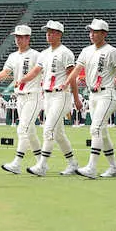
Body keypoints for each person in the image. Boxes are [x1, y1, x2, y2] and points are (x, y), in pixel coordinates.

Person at [61, 19, 116, 179]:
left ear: (104, 34)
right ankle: (114, 167)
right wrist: (67, 82)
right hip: (93, 95)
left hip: (107, 94)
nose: (92, 34)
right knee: (102, 132)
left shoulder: (112, 51)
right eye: (90, 31)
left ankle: (92, 167)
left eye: (95, 32)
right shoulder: (86, 51)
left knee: (95, 129)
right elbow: (77, 70)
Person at [22, 21, 79, 176]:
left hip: (61, 96)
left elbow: (72, 77)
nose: (48, 34)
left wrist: (76, 98)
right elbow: (35, 71)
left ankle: (42, 165)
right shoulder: (44, 53)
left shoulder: (66, 52)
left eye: (52, 32)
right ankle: (73, 163)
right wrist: (22, 79)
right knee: (58, 133)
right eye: (47, 32)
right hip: (47, 96)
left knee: (48, 129)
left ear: (60, 34)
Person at [0, 25, 42, 174]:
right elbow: (6, 71)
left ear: (28, 38)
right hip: (20, 97)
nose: (17, 39)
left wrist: (23, 79)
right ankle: (41, 163)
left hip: (33, 95)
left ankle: (17, 163)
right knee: (30, 132)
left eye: (21, 37)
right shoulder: (13, 56)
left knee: (22, 129)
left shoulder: (37, 55)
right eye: (16, 37)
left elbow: (37, 72)